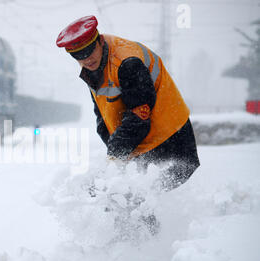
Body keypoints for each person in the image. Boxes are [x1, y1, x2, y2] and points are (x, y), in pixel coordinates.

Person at [56, 15, 200, 191]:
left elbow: (139, 118)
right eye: (78, 56)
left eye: (89, 51)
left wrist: (115, 156)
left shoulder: (128, 62)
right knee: (132, 198)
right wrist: (113, 151)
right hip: (140, 141)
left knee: (144, 196)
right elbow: (103, 115)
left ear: (100, 41)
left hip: (170, 137)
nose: (86, 59)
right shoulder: (92, 67)